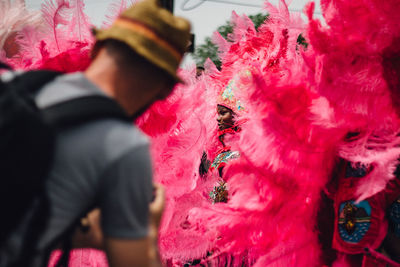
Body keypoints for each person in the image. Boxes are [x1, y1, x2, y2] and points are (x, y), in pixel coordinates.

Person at [0, 0, 191, 266]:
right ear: (165, 90)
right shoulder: (124, 146)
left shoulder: (13, 85)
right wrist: (147, 234)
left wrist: (84, 236)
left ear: (99, 47)